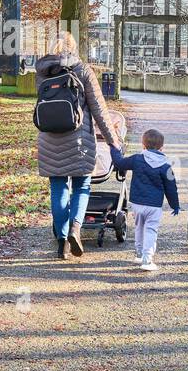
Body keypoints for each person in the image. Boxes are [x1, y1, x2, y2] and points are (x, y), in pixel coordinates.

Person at [35, 31, 122, 259]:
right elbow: (100, 110)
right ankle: (75, 227)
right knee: (82, 186)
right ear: (73, 48)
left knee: (58, 187)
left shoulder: (42, 72)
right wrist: (113, 141)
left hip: (49, 139)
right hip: (79, 140)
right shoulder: (82, 70)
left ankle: (62, 241)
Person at [110, 128, 180, 271]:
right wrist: (175, 205)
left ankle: (139, 254)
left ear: (143, 145)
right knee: (151, 230)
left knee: (139, 227)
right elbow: (171, 188)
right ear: (161, 147)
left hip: (137, 203)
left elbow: (119, 163)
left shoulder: (137, 159)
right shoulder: (166, 165)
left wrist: (113, 146)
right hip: (154, 206)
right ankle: (147, 261)